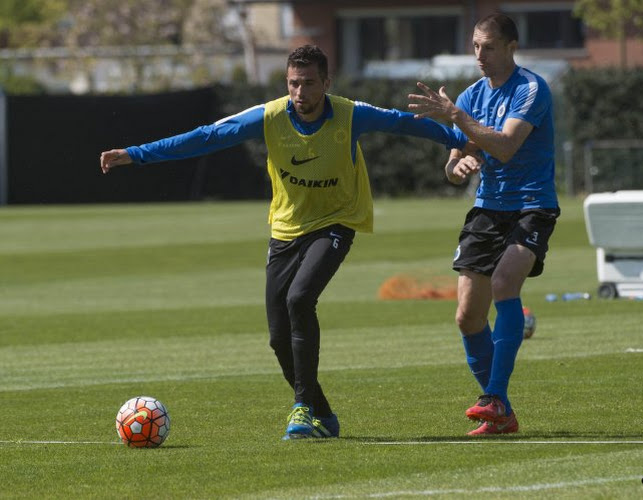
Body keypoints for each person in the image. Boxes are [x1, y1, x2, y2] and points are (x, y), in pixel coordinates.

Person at [100, 45, 470, 441]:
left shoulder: (350, 114)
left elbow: (403, 123)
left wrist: (464, 138)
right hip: (286, 229)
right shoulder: (269, 116)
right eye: (294, 83)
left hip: (336, 221)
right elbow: (205, 137)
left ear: (326, 83)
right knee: (279, 338)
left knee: (299, 298)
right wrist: (137, 155)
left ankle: (302, 408)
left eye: (310, 83)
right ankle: (323, 416)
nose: (301, 92)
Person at [408, 12, 560, 436]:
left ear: (511, 46)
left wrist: (456, 117)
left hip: (532, 204)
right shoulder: (472, 96)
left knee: (504, 284)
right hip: (487, 208)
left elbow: (507, 146)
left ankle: (492, 396)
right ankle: (502, 412)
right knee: (467, 317)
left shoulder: (532, 89)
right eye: (475, 46)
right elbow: (456, 159)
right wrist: (458, 165)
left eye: (488, 46)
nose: (480, 55)